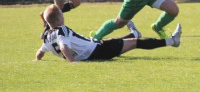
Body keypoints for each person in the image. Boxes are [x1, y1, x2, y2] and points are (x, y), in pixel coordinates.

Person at [35, 4, 182, 62]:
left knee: (118, 42)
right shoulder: (62, 29)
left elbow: (40, 52)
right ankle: (172, 41)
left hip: (94, 48)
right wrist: (72, 62)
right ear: (59, 17)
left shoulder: (47, 37)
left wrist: (37, 60)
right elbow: (63, 46)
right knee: (134, 44)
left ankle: (134, 34)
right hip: (96, 50)